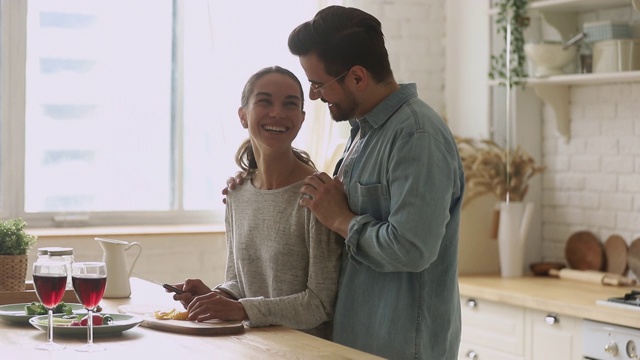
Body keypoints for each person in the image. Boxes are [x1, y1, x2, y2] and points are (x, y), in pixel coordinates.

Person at [287, 6, 464, 359]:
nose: (314, 96)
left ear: (356, 77)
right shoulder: (363, 133)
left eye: (319, 84)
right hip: (360, 340)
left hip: (401, 347)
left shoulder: (417, 136)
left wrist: (341, 219)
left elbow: (412, 249)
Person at [171, 66, 343, 340]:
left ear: (301, 118)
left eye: (290, 104)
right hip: (254, 348)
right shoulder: (237, 194)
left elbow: (319, 305)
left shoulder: (319, 195)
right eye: (265, 101)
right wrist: (217, 296)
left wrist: (240, 310)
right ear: (243, 115)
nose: (278, 112)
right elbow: (240, 280)